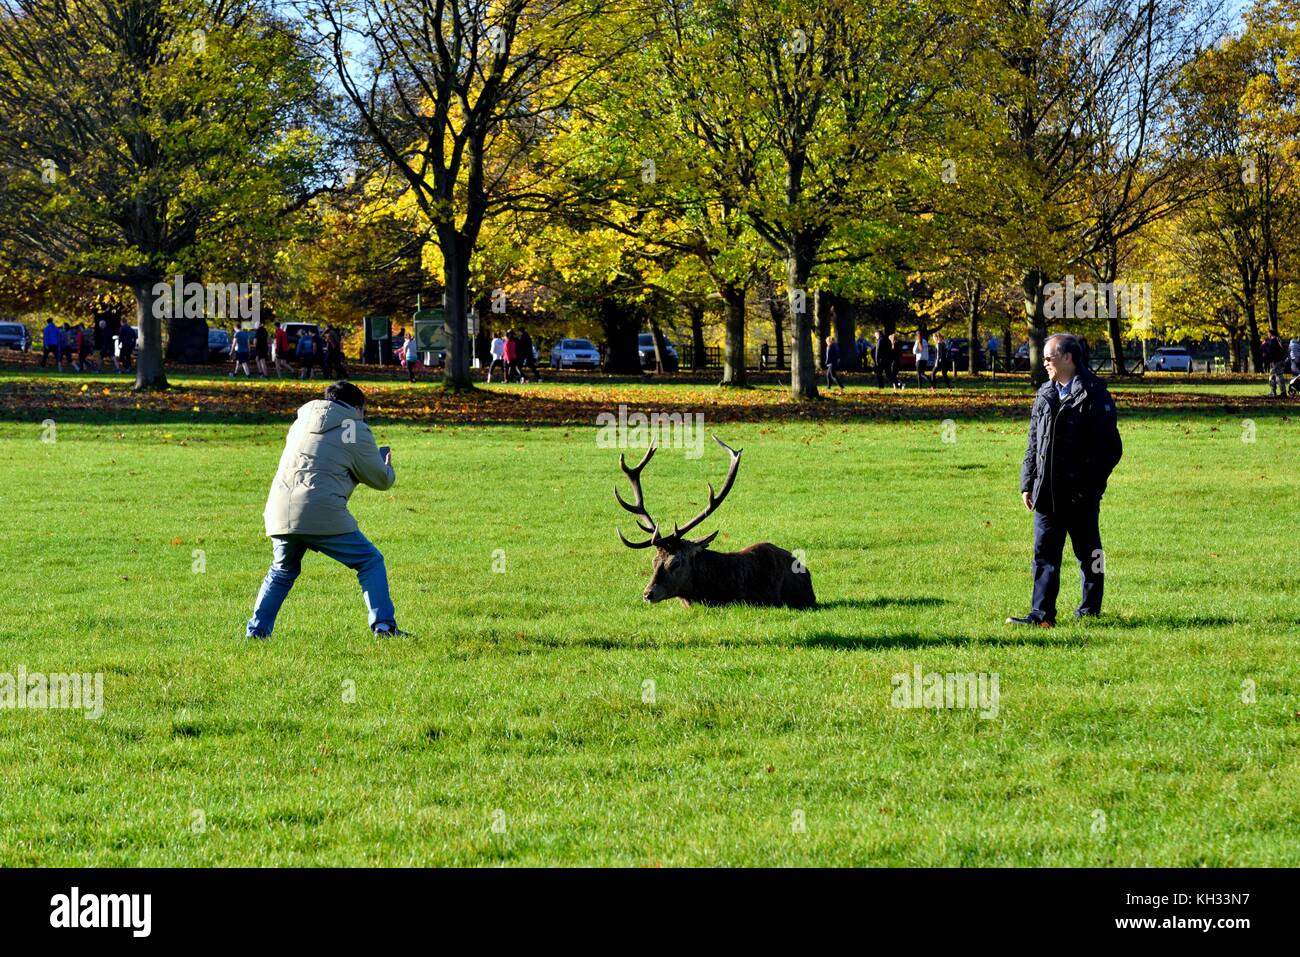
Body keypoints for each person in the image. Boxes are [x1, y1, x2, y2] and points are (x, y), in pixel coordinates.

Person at [246, 380, 405, 639]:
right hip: (320, 510)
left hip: (279, 510)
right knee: (369, 561)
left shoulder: (299, 423)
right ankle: (384, 627)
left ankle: (256, 632)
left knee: (282, 570)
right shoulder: (353, 427)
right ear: (357, 408)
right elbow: (380, 479)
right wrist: (386, 466)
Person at [1008, 332, 1122, 628]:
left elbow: (1110, 448)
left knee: (1090, 555)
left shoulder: (1095, 393)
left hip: (1080, 495)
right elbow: (1033, 441)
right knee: (1044, 555)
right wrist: (1026, 483)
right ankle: (1041, 615)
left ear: (1068, 358)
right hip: (1046, 492)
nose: (1044, 363)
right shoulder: (1045, 392)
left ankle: (1090, 612)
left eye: (1049, 358)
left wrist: (1091, 487)